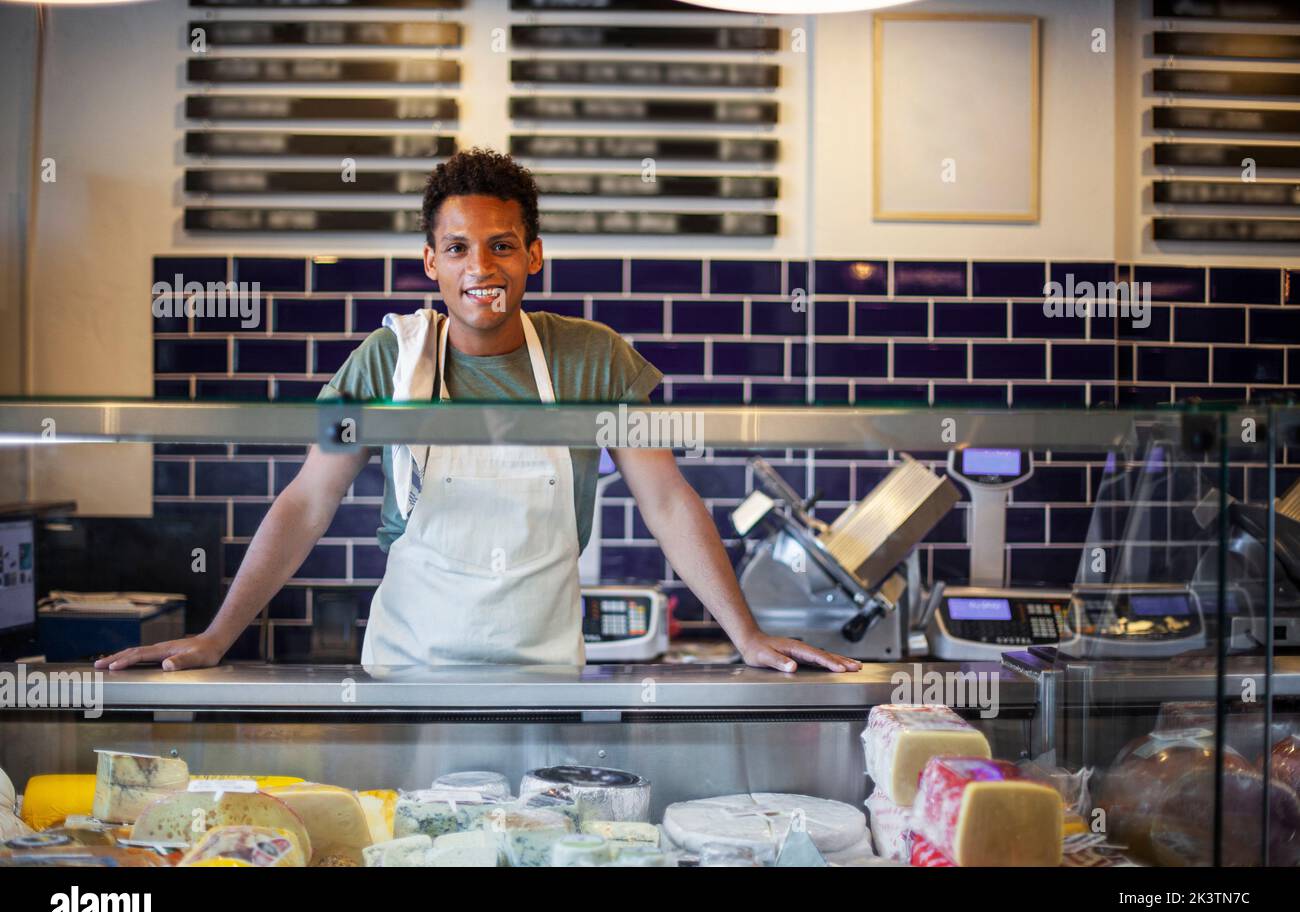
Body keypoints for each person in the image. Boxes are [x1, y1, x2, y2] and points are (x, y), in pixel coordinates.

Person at [97, 148, 860, 674]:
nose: (480, 269)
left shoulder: (592, 357)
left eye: (501, 246)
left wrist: (746, 634)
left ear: (535, 254)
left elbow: (665, 499)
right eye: (458, 249)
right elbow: (307, 501)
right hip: (407, 668)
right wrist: (219, 635)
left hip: (544, 673)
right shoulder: (385, 362)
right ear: (431, 262)